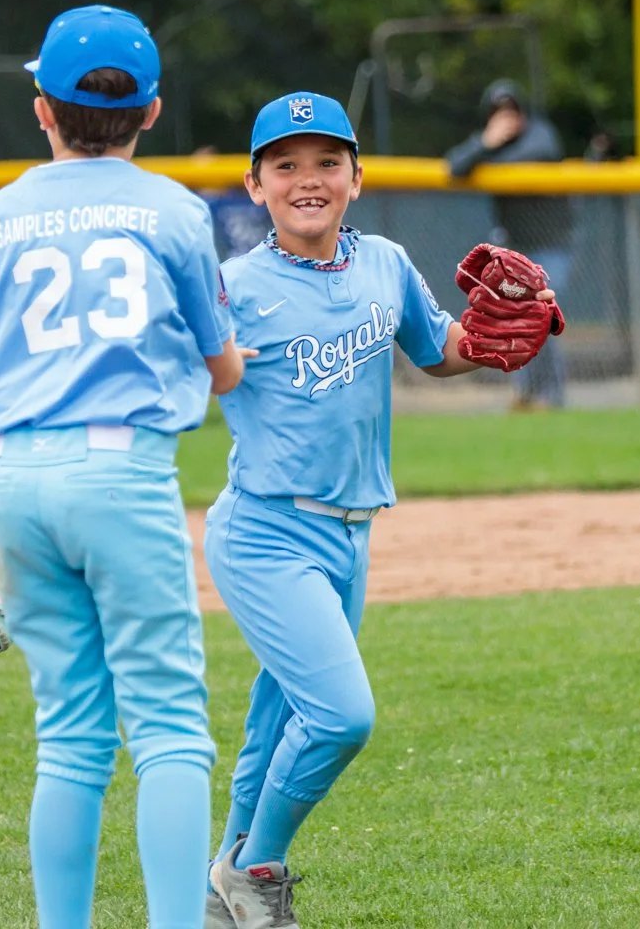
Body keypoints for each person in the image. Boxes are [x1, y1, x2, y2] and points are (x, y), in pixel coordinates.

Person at [203, 92, 557, 929]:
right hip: (265, 532)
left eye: (327, 162)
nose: (308, 179)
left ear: (356, 179)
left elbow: (439, 349)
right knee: (341, 716)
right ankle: (255, 868)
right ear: (255, 186)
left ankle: (219, 897)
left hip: (351, 534)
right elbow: (174, 374)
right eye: (285, 165)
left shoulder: (386, 265)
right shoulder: (233, 287)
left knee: (279, 720)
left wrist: (490, 342)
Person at [0, 4, 247, 929]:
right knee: (169, 726)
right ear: (151, 112)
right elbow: (223, 367)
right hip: (121, 470)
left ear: (42, 110)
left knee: (69, 733)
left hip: (15, 476)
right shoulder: (175, 210)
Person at [445, 78, 574, 408]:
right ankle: (526, 394)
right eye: (498, 111)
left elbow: (543, 152)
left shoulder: (540, 134)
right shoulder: (488, 143)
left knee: (541, 315)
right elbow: (454, 165)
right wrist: (485, 143)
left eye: (512, 110)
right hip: (516, 250)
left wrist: (489, 155)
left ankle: (552, 397)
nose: (507, 117)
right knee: (512, 320)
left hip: (551, 244)